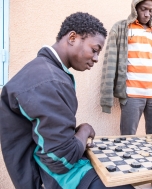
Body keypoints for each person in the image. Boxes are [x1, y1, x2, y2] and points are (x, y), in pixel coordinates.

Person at [0, 12, 134, 189]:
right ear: (72, 37)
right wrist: (84, 130)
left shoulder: (46, 71)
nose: (95, 58)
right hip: (58, 178)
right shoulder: (48, 80)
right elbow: (61, 160)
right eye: (94, 50)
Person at [100, 0, 152, 135]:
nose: (147, 14)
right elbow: (109, 62)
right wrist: (106, 98)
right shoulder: (121, 28)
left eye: (150, 10)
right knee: (128, 137)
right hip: (131, 94)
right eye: (143, 9)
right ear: (135, 8)